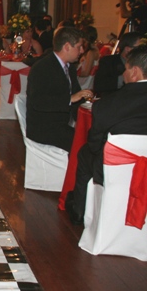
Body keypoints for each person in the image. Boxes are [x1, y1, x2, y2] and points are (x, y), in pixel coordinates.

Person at [66, 44, 147, 225]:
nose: (123, 74)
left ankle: (79, 210)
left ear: (135, 72)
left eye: (126, 69)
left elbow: (95, 145)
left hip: (117, 171)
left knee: (85, 153)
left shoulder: (108, 104)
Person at [26, 27, 93, 152]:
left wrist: (90, 107)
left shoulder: (70, 67)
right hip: (44, 128)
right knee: (85, 145)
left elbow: (76, 98)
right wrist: (70, 99)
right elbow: (38, 102)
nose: (82, 50)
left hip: (60, 125)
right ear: (67, 47)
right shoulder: (42, 68)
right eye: (79, 47)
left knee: (95, 138)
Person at [93, 32, 142, 97]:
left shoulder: (142, 63)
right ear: (127, 49)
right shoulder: (108, 61)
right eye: (139, 48)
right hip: (114, 99)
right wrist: (124, 78)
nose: (142, 51)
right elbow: (99, 85)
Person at [76, 25, 99, 90]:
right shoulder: (93, 49)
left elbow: (86, 72)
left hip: (84, 85)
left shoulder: (91, 52)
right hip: (84, 83)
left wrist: (73, 74)